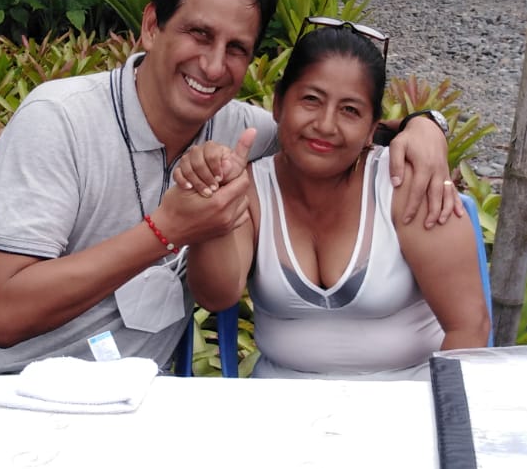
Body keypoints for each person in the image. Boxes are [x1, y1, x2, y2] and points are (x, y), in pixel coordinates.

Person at [0, 0, 456, 381]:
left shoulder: (241, 133)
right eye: (200, 34)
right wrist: (166, 231)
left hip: (129, 406)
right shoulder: (59, 120)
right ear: (153, 25)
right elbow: (4, 315)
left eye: (237, 48)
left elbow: (333, 137)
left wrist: (426, 125)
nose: (213, 66)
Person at [177, 21, 491, 378]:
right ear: (278, 104)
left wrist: (438, 410)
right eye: (311, 100)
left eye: (350, 110)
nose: (326, 125)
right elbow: (216, 296)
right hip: (281, 404)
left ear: (372, 128)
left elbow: (469, 328)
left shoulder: (407, 185)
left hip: (408, 401)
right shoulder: (251, 188)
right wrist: (216, 198)